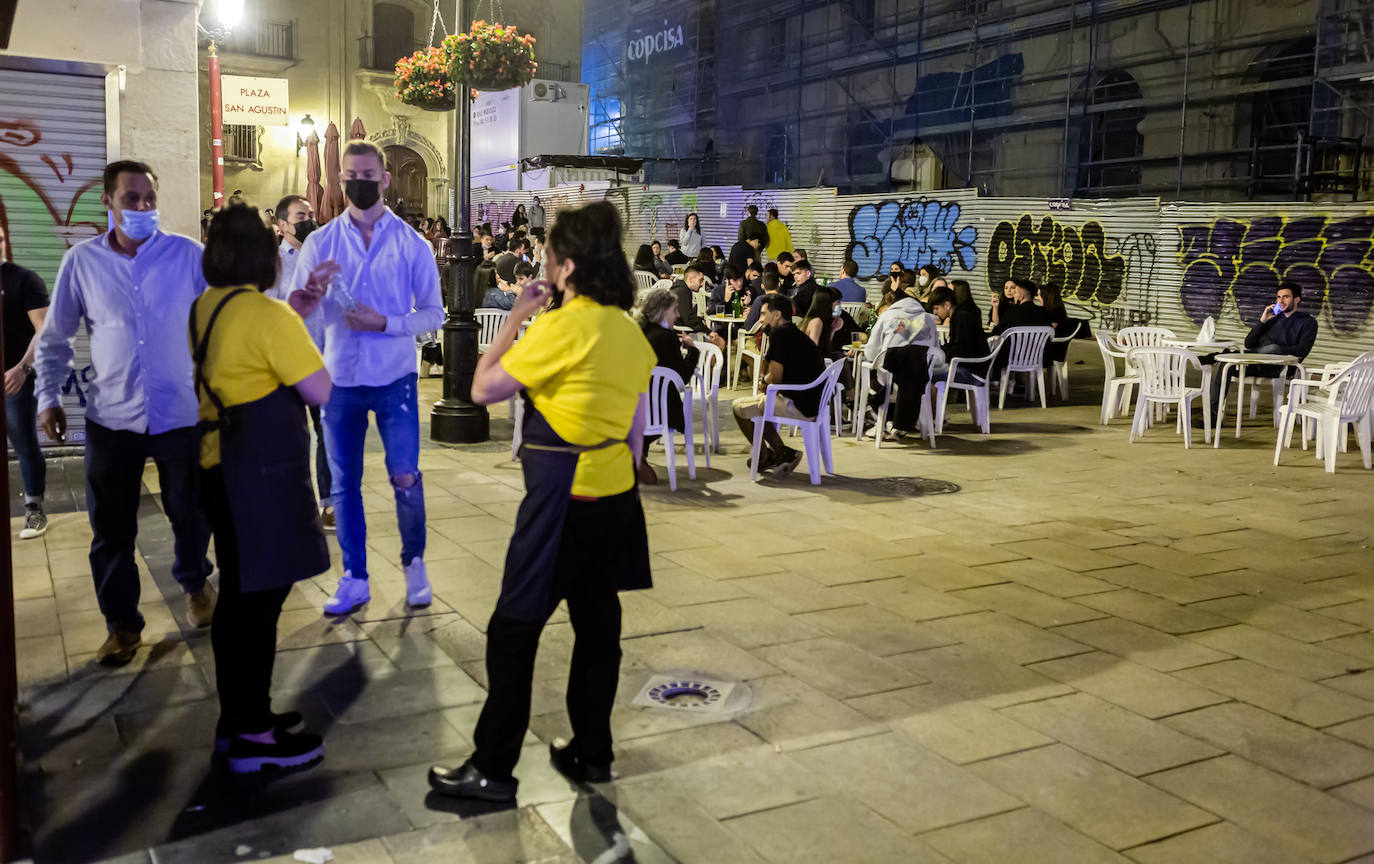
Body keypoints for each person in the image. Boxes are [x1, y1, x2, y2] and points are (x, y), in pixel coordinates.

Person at [428, 200, 656, 802]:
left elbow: (480, 387)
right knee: (598, 628)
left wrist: (516, 319)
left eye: (550, 251)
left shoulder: (563, 326)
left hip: (561, 503)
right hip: (613, 500)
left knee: (513, 631)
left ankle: (493, 768)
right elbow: (635, 438)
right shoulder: (629, 331)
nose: (544, 259)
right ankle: (592, 751)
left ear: (567, 265)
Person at [34, 160, 216, 664]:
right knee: (111, 527)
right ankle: (122, 625)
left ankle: (196, 582)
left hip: (180, 413)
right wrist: (48, 396)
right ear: (108, 203)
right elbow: (56, 336)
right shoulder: (82, 262)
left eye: (149, 199)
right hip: (112, 418)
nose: (141, 208)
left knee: (190, 512)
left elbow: (219, 324)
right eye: (131, 198)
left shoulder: (188, 257)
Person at [192, 205, 332, 774]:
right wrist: (294, 322)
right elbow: (319, 389)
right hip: (261, 475)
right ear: (265, 257)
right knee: (259, 603)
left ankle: (240, 720)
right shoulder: (270, 318)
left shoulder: (209, 306)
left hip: (217, 467)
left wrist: (294, 313)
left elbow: (248, 358)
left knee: (238, 598)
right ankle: (253, 736)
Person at [286, 140, 443, 616]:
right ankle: (355, 576)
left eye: (368, 175)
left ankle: (414, 563)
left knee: (406, 477)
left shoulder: (412, 243)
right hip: (340, 380)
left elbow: (434, 313)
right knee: (343, 484)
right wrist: (312, 292)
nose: (359, 182)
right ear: (340, 180)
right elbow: (295, 312)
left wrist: (388, 323)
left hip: (395, 376)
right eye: (351, 174)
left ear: (384, 180)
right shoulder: (320, 243)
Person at [268, 195, 334, 531]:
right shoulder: (273, 265)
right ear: (281, 225)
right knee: (291, 437)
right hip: (288, 366)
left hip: (324, 361)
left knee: (329, 432)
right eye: (299, 216)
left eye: (310, 214)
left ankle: (330, 504)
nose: (308, 220)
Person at [731, 295, 822, 476]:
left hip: (799, 404)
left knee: (738, 407)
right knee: (759, 408)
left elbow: (775, 377)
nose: (760, 319)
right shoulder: (794, 333)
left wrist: (764, 381)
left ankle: (765, 456)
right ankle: (782, 452)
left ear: (777, 315)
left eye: (764, 314)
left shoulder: (779, 334)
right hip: (812, 401)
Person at [1207, 281, 1317, 426]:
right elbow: (1249, 343)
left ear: (1296, 299)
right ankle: (1213, 416)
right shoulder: (1272, 317)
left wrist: (1277, 350)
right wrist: (1262, 321)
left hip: (1281, 366)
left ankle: (1228, 354)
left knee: (1273, 349)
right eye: (1278, 297)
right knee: (1225, 365)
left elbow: (1303, 350)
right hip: (1256, 363)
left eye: (1286, 297)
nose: (1281, 301)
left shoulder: (1307, 322)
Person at [2, 222, 51, 539]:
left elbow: (44, 329)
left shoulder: (23, 279)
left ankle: (34, 510)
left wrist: (23, 368)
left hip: (14, 380)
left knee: (24, 445)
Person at [634, 286, 699, 486]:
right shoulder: (667, 337)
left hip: (634, 406)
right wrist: (693, 351)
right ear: (662, 312)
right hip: (659, 411)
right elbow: (681, 378)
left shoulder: (637, 331)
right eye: (674, 310)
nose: (678, 315)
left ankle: (635, 453)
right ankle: (634, 454)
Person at [861, 281, 943, 435]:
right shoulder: (928, 320)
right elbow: (937, 355)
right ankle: (897, 422)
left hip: (888, 381)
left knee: (871, 372)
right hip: (918, 381)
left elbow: (871, 353)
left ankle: (883, 422)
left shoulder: (887, 316)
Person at [928, 282, 989, 384]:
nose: (934, 312)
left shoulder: (962, 316)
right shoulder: (960, 314)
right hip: (972, 368)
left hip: (972, 372)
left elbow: (961, 349)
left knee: (923, 372)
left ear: (947, 305)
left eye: (936, 308)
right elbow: (956, 346)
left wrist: (940, 354)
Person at [669, 265, 725, 349]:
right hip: (676, 331)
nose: (702, 284)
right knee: (719, 342)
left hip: (674, 329)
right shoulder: (682, 292)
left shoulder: (680, 289)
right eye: (701, 280)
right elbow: (688, 318)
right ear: (690, 279)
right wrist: (708, 331)